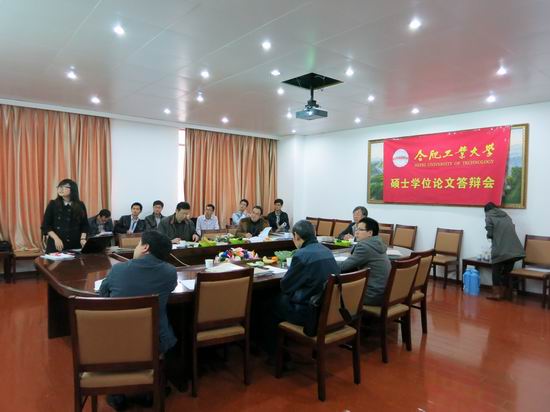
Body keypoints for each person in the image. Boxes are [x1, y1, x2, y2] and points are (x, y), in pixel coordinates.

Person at [99, 230, 177, 410]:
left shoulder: (118, 270)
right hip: (154, 340)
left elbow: (103, 293)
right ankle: (150, 389)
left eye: (138, 243)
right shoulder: (170, 272)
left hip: (118, 340)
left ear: (145, 247)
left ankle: (117, 393)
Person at [263, 220, 339, 355]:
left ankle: (275, 354)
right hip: (328, 310)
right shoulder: (326, 250)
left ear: (296, 236)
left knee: (266, 304)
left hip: (308, 312)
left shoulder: (301, 255)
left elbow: (285, 286)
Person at [338, 217, 391, 305]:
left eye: (360, 230)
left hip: (371, 295)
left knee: (332, 291)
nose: (356, 232)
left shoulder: (364, 247)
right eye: (356, 229)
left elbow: (343, 266)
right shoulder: (377, 243)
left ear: (370, 233)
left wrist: (328, 262)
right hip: (382, 293)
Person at [484, 202, 525, 301]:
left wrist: (489, 236)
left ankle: (497, 294)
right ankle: (505, 293)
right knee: (506, 272)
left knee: (496, 270)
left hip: (501, 249)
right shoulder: (506, 215)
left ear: (486, 210)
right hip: (514, 250)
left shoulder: (489, 216)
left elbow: (490, 233)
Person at [41, 179, 89, 253]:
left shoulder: (80, 205)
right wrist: (56, 239)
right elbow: (46, 225)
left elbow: (84, 225)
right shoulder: (53, 204)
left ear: (72, 189)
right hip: (56, 244)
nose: (60, 189)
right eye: (59, 187)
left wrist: (83, 239)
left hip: (75, 244)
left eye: (64, 187)